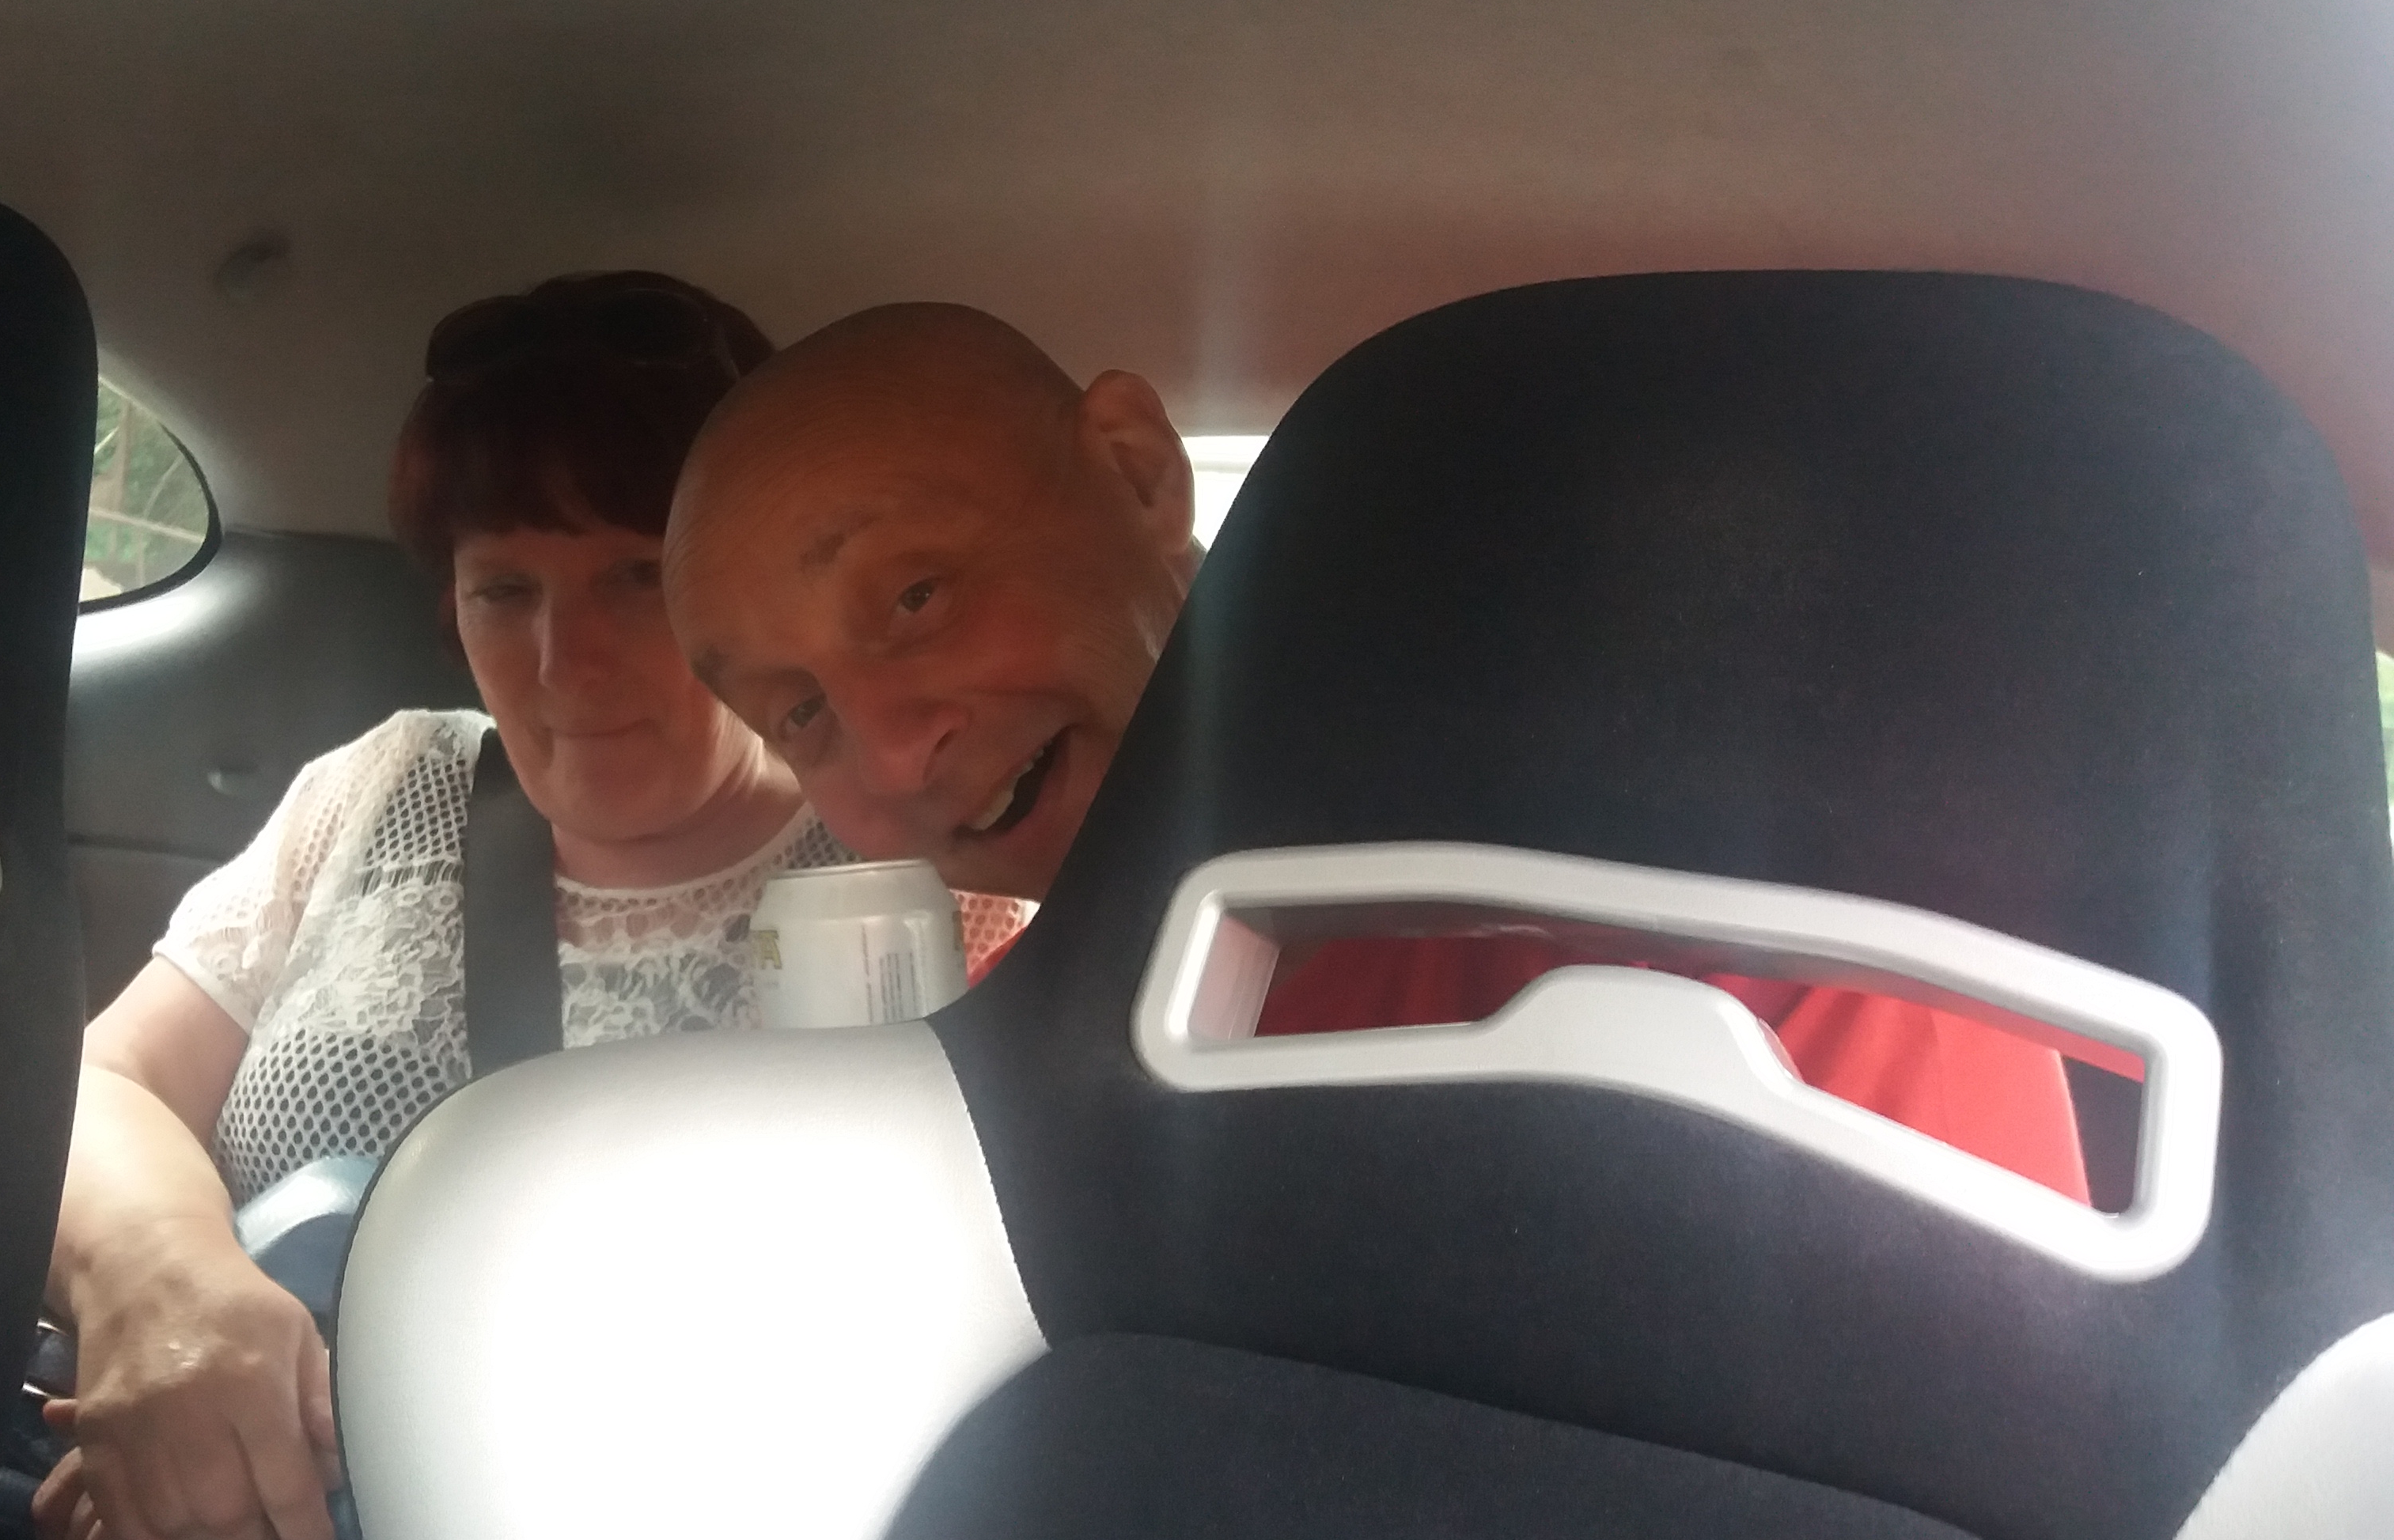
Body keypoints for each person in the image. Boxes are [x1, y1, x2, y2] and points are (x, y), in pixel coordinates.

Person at [24, 278, 1032, 1540]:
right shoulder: (385, 783)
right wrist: (159, 1303)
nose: (567, 662)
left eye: (635, 577)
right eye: (506, 588)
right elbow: (103, 1082)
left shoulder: (907, 873)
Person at [662, 301, 2092, 1199]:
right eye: (801, 714)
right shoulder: (1008, 1061)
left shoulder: (1752, 932)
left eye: (917, 597)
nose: (893, 754)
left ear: (1136, 473)